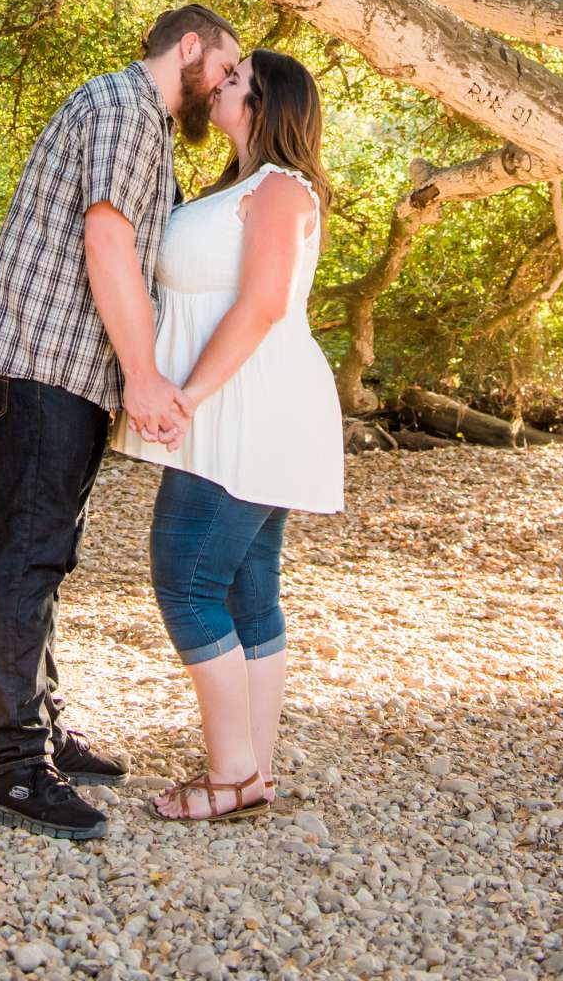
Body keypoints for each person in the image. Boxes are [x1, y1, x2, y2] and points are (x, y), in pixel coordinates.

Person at [0, 3, 242, 840]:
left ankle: (40, 728)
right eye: (222, 71)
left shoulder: (139, 120)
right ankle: (14, 771)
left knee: (47, 554)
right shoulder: (122, 108)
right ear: (188, 48)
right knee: (27, 556)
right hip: (40, 363)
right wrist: (147, 376)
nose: (221, 88)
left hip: (68, 373)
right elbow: (109, 246)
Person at [119, 47, 343, 823]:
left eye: (238, 79)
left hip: (248, 407)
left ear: (266, 105)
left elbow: (262, 305)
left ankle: (234, 774)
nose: (221, 84)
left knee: (185, 581)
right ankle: (253, 767)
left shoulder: (280, 188)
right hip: (237, 408)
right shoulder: (240, 187)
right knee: (249, 589)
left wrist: (186, 396)